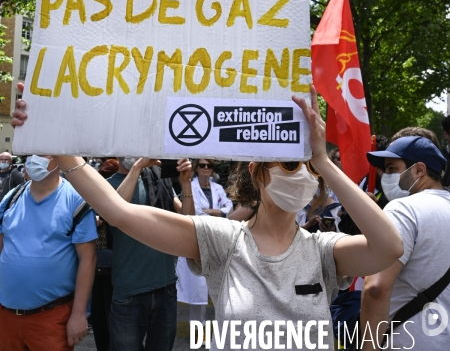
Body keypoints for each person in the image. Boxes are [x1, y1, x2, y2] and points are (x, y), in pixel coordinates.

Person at [12, 87, 403, 350]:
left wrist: (322, 159)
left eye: (308, 169)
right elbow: (119, 212)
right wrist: (58, 141)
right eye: (289, 163)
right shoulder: (224, 240)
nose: (301, 175)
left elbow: (389, 246)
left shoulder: (324, 251)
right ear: (258, 171)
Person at [361, 135, 450, 350]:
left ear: (419, 170)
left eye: (392, 168)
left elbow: (376, 289)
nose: (386, 176)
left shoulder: (403, 209)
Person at [0, 154, 97, 351]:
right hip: (6, 317)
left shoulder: (76, 201)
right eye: (31, 153)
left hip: (52, 318)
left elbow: (88, 259)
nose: (35, 158)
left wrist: (79, 315)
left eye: (43, 153)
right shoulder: (11, 198)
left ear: (59, 159)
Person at [106, 155, 194, 351]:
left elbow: (187, 223)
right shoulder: (108, 185)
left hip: (165, 288)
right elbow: (115, 212)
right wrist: (138, 167)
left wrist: (186, 184)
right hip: (129, 292)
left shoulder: (159, 179)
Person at [177, 158, 233, 326]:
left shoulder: (218, 188)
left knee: (220, 289)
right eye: (202, 165)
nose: (206, 168)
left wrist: (211, 211)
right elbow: (194, 213)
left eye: (210, 165)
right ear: (197, 168)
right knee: (198, 291)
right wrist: (218, 213)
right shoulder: (190, 187)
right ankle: (198, 332)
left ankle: (221, 331)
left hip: (218, 238)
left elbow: (228, 207)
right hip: (198, 237)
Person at [89, 158, 119, 351]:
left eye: (109, 177)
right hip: (95, 265)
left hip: (116, 267)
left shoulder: (122, 195)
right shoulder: (91, 194)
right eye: (103, 176)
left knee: (114, 319)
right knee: (99, 317)